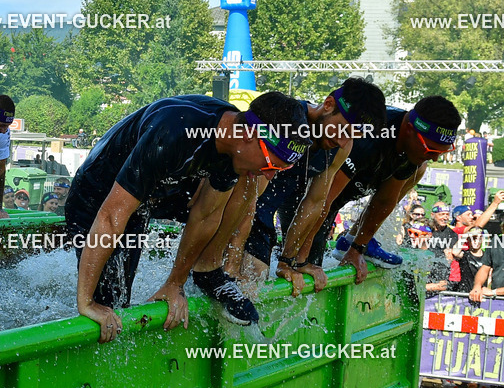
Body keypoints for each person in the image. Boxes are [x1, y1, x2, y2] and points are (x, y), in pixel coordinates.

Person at [67, 92, 309, 337]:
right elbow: (109, 217)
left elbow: (206, 216)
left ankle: (207, 272)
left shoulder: (233, 146)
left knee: (120, 302)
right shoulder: (174, 133)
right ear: (248, 135)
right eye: (272, 164)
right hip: (95, 195)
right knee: (105, 305)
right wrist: (86, 302)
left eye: (282, 168)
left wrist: (175, 283)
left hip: (147, 196)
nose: (270, 175)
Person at [219, 79, 387, 302]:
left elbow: (315, 203)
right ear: (328, 104)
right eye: (343, 129)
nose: (342, 140)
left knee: (254, 287)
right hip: (236, 203)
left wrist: (291, 262)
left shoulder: (341, 147)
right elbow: (247, 195)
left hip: (264, 210)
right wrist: (231, 261)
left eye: (352, 135)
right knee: (242, 281)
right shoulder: (286, 120)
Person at [312, 96, 462, 284]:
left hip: (339, 189)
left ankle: (352, 238)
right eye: (431, 150)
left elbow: (384, 200)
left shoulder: (413, 152)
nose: (435, 159)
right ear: (409, 130)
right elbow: (322, 201)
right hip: (310, 189)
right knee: (307, 261)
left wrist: (357, 248)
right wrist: (299, 260)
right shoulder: (370, 135)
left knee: (419, 167)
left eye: (442, 153)